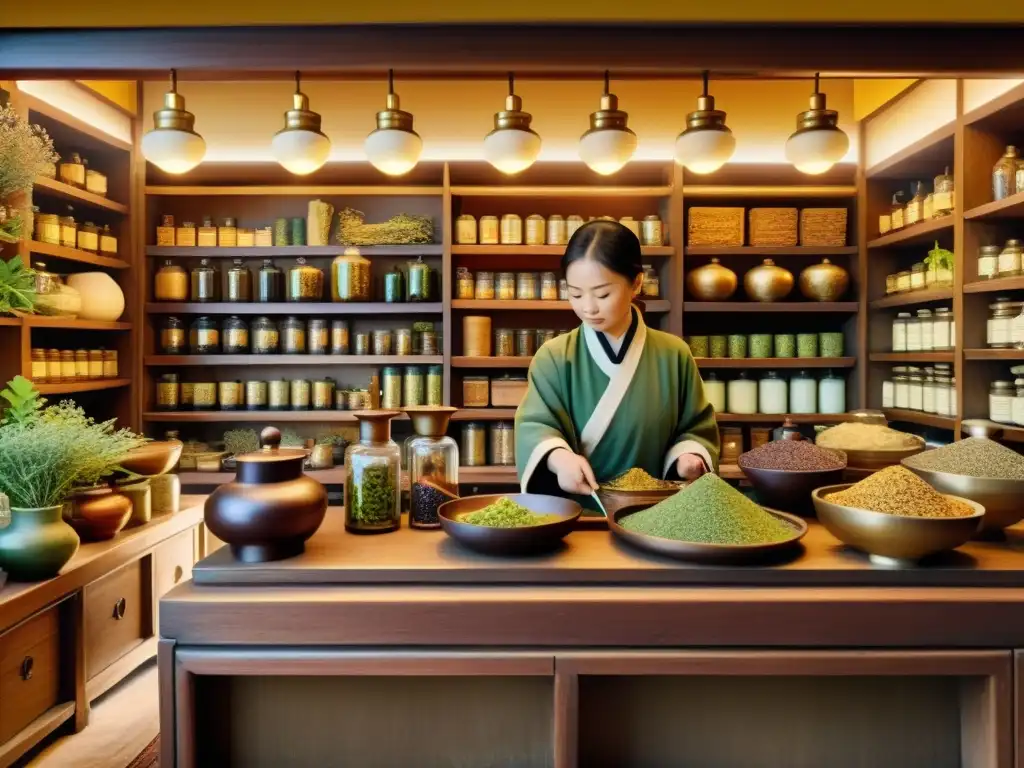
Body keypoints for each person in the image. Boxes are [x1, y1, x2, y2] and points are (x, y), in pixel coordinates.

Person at [514, 220, 719, 507]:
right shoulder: (554, 356)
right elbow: (536, 424)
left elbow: (695, 427)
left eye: (602, 294)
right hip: (576, 513)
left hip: (656, 513)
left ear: (636, 283)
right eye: (575, 293)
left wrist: (689, 458)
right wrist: (559, 459)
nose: (588, 307)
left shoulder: (674, 354)